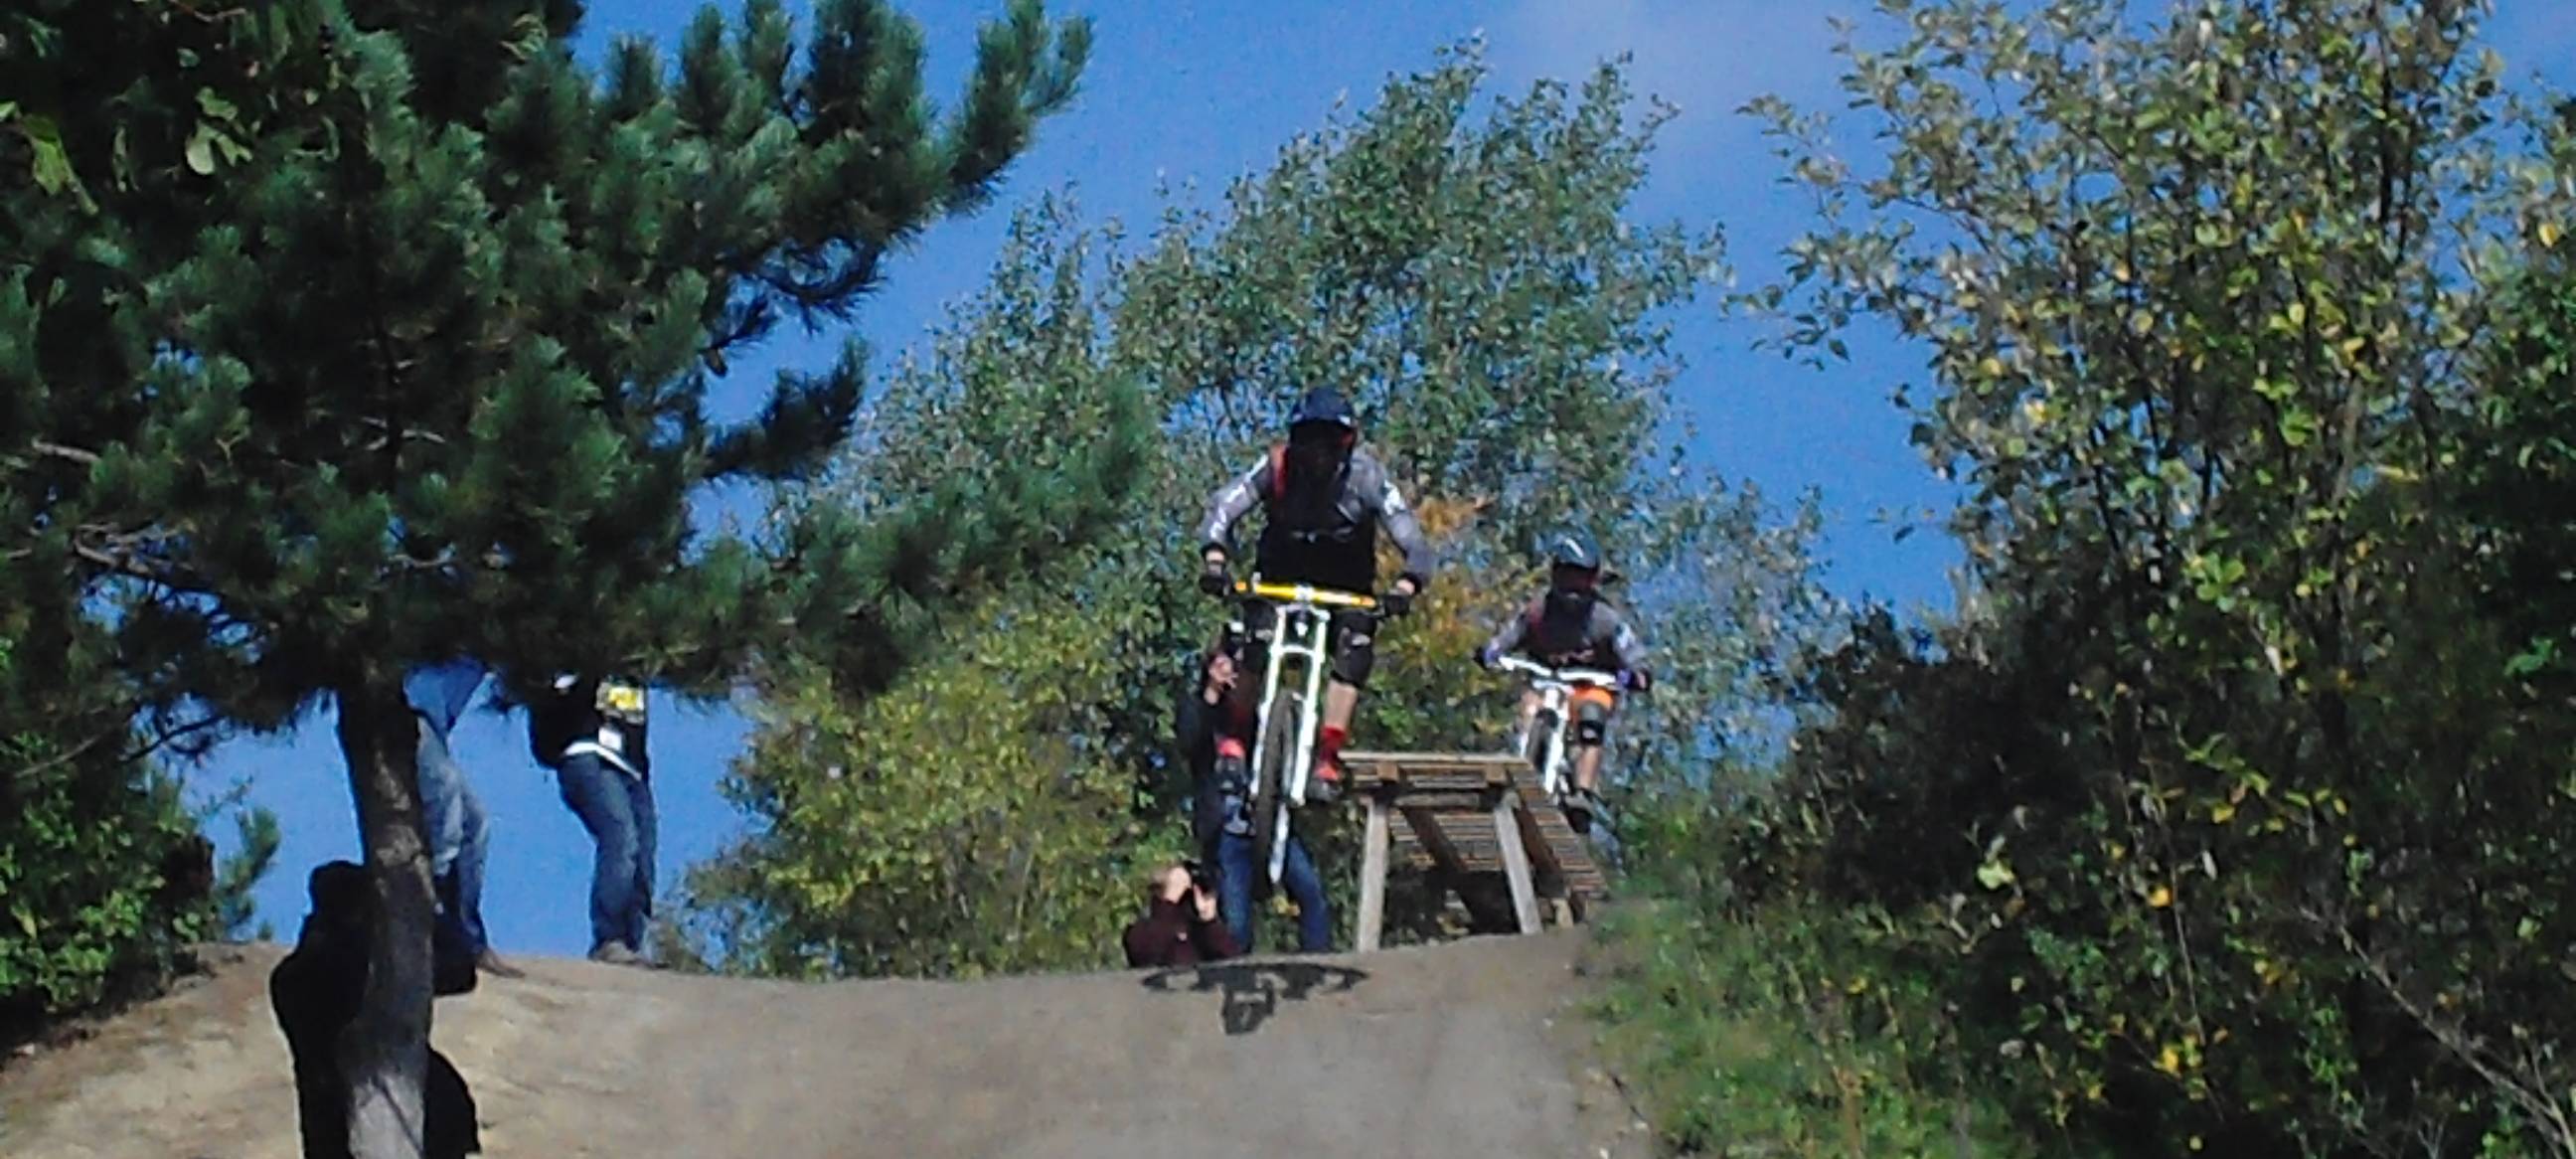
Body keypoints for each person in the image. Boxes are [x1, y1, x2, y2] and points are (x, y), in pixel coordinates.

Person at [1195, 386, 1433, 804]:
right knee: (1256, 638)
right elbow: (1223, 508)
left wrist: (1405, 586)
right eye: (1308, 440)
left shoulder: (1368, 477)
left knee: (1355, 645)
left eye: (1329, 442)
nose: (1317, 453)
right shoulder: (1275, 466)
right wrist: (1215, 560)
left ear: (1347, 443)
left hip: (1346, 580)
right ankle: (1233, 741)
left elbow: (1413, 539)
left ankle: (1327, 757)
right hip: (1281, 569)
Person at [269, 860, 480, 1159]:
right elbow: (460, 969)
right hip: (375, 1119)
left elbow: (461, 972)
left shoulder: (289, 976)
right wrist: (422, 911)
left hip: (332, 1127)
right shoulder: (357, 970)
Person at [1474, 527, 1652, 832]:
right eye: (1568, 576)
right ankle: (1521, 764)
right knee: (1529, 708)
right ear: (1555, 574)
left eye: (1580, 578)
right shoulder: (1538, 611)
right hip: (1545, 680)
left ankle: (1583, 792)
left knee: (1591, 719)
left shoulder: (1605, 619)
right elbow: (1510, 635)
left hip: (1591, 684)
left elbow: (1633, 653)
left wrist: (1638, 674)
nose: (1573, 587)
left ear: (1592, 579)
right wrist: (1491, 651)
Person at [1177, 640, 1333, 955]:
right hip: (1227, 831)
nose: (1232, 669)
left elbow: (1284, 741)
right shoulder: (1198, 709)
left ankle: (1318, 961)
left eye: (1237, 663)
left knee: (1311, 894)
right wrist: (1213, 694)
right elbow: (1190, 743)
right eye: (1225, 661)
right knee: (1236, 924)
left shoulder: (1258, 714)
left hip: (1273, 825)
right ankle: (1234, 972)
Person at [526, 672, 658, 966]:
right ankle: (609, 938)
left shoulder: (634, 667)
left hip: (632, 768)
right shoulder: (578, 656)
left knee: (644, 856)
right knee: (621, 837)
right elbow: (544, 702)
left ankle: (633, 943)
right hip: (587, 755)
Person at [404, 656, 520, 981]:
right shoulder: (455, 635)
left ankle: (468, 936)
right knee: (446, 794)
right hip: (410, 714)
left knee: (474, 823)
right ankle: (436, 904)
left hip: (433, 725)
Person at [1122, 862, 1241, 968]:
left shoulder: (1199, 928)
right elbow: (1145, 956)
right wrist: (1169, 901)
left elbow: (1233, 962)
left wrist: (1209, 922)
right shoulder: (1142, 930)